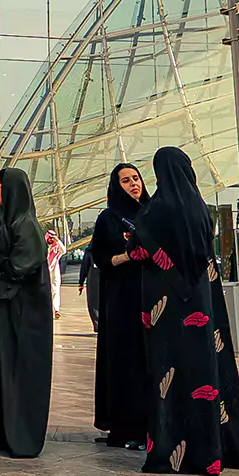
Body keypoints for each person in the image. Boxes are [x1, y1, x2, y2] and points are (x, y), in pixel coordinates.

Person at [133, 147, 239, 476]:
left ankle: (172, 452)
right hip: (203, 306)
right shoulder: (201, 210)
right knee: (207, 375)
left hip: (168, 312)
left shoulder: (155, 210)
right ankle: (216, 451)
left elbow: (138, 248)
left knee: (169, 378)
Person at [0, 167, 52, 458]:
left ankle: (21, 436)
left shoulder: (26, 226)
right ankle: (6, 432)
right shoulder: (12, 223)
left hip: (24, 316)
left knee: (19, 374)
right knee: (5, 372)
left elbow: (20, 267)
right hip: (11, 310)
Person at [90, 163, 149, 450]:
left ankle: (149, 426)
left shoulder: (152, 212)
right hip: (121, 300)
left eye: (135, 178)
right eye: (125, 180)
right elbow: (101, 258)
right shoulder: (108, 218)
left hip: (150, 297)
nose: (133, 184)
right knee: (124, 361)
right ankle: (124, 426)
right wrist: (128, 256)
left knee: (147, 361)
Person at [45, 229, 66, 318]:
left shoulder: (56, 248)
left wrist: (57, 240)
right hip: (45, 271)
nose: (51, 240)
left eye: (52, 238)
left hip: (54, 270)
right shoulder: (43, 246)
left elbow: (64, 251)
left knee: (55, 289)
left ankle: (56, 309)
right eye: (50, 238)